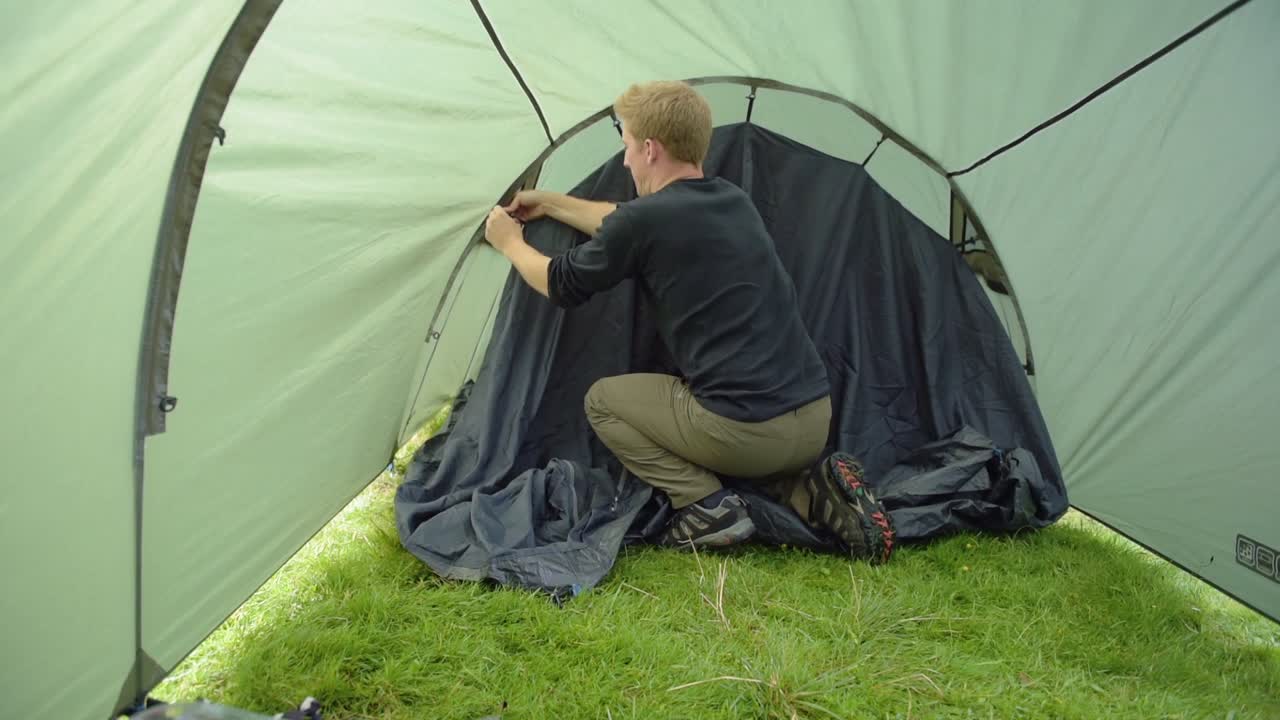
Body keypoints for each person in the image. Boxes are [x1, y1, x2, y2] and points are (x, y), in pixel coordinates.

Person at [481, 81, 893, 562]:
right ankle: (813, 494)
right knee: (743, 426)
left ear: (650, 149)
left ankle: (705, 504)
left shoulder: (647, 222)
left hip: (747, 435)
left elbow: (559, 282)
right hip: (813, 420)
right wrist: (551, 203)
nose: (625, 161)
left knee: (604, 401)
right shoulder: (731, 201)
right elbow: (624, 222)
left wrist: (508, 240)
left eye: (629, 147)